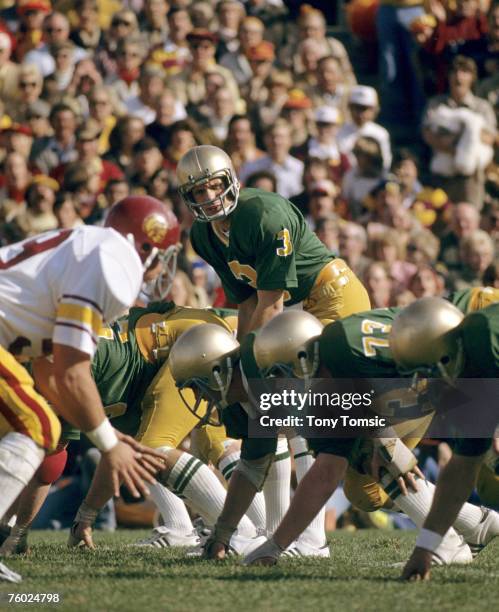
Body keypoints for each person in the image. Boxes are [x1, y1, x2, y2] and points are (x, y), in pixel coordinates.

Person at [168, 291, 499, 564]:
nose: (198, 397)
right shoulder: (261, 382)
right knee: (361, 483)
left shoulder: (332, 352)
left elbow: (396, 362)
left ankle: (448, 540)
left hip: (451, 347)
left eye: (197, 386)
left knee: (372, 450)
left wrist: (379, 435)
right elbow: (260, 468)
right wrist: (230, 535)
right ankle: (474, 526)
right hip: (416, 383)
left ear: (216, 373)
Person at [0, 195, 174, 582]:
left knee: (32, 428)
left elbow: (50, 372)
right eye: (160, 253)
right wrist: (110, 446)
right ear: (144, 246)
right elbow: (71, 372)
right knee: (38, 427)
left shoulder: (95, 247)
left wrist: (106, 434)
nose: (162, 266)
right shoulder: (112, 263)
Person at [176, 145, 370, 341]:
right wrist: (238, 352)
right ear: (188, 196)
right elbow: (248, 303)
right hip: (289, 309)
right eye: (199, 191)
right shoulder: (202, 236)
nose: (209, 197)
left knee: (321, 366)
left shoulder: (264, 216)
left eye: (215, 185)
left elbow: (271, 304)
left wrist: (245, 358)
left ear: (231, 180)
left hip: (329, 296)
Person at [387, 298, 499, 580]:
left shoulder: (488, 338)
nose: (423, 382)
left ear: (446, 356)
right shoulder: (470, 369)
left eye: (426, 371)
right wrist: (425, 548)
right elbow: (462, 468)